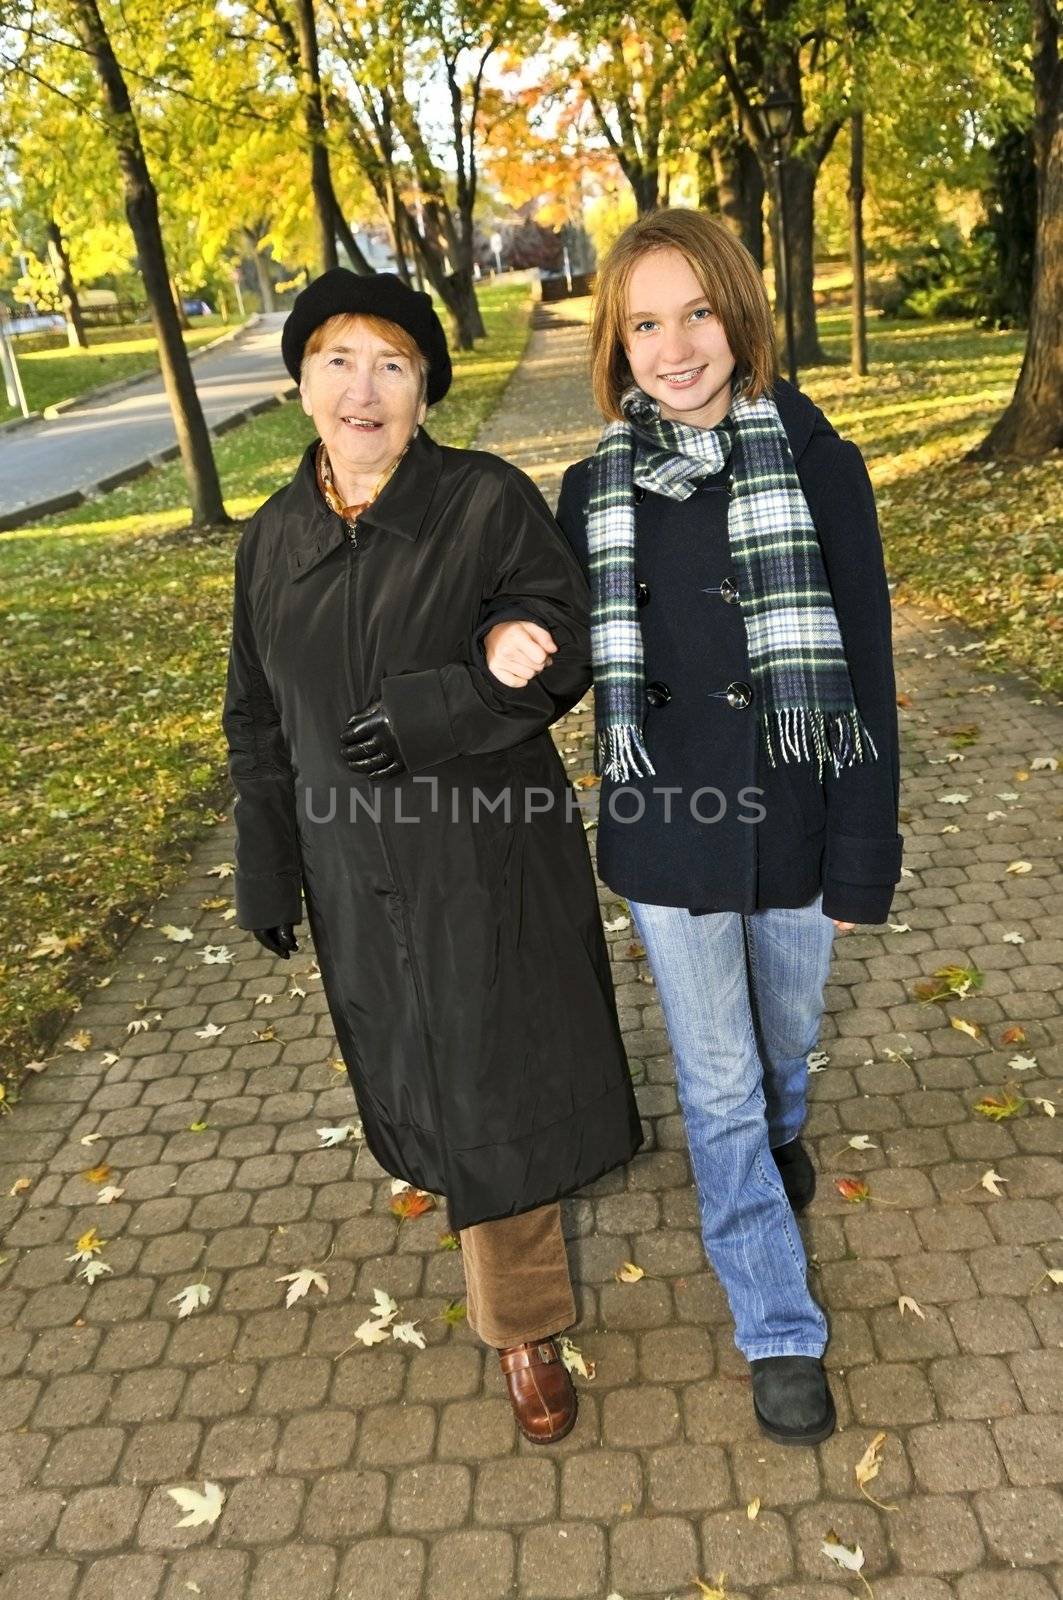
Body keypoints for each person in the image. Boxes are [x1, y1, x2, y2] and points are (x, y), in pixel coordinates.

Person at [484, 208, 903, 1446]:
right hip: (669, 829)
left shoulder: (819, 460)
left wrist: (862, 853)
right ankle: (776, 1319)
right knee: (717, 1084)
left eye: (699, 313)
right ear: (615, 341)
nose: (676, 347)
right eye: (646, 322)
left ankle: (777, 1146)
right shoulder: (591, 487)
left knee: (783, 1054)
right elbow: (548, 640)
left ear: (739, 315)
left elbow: (868, 671)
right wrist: (495, 637)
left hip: (799, 812)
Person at [221, 268, 643, 1444]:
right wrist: (268, 864)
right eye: (340, 362)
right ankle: (464, 1211)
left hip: (481, 860)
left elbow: (563, 643)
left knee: (493, 1076)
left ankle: (522, 1324)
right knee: (417, 1068)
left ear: (423, 389)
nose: (365, 389)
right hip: (355, 875)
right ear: (301, 380)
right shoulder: (270, 543)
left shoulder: (482, 500)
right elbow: (255, 717)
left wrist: (455, 693)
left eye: (393, 365)